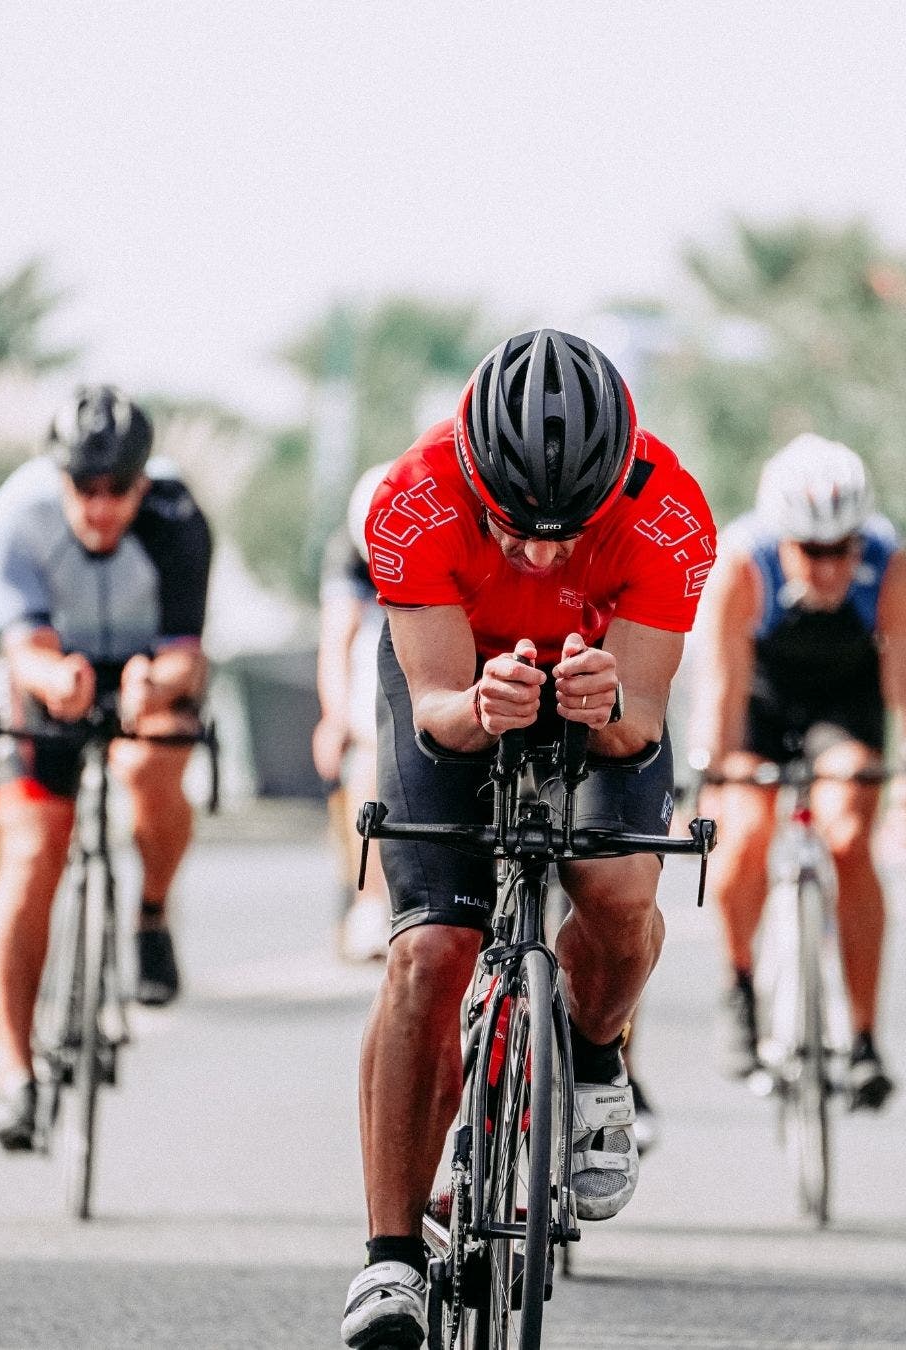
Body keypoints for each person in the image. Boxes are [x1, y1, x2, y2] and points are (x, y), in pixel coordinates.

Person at [340, 330, 713, 1349]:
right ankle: (390, 1261)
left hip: (600, 691)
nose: (546, 554)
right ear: (473, 476)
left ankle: (597, 1063)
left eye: (571, 532)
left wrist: (607, 703)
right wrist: (480, 701)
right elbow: (436, 710)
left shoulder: (670, 514)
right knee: (427, 953)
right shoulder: (413, 500)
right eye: (516, 529)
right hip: (466, 688)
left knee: (619, 892)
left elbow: (639, 717)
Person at [0, 386, 211, 1149]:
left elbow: (187, 655)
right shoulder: (15, 516)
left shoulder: (177, 519)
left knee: (154, 765)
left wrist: (154, 684)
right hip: (53, 674)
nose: (101, 508)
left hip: (147, 672)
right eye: (84, 488)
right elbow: (22, 646)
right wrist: (58, 684)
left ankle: (151, 914)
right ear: (60, 476)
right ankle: (16, 1076)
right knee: (33, 850)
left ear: (144, 482)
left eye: (119, 490)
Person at [694, 433, 906, 1100]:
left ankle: (862, 1038)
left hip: (844, 705)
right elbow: (721, 686)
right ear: (782, 540)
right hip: (763, 703)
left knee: (850, 838)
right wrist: (708, 782)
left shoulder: (893, 567)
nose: (830, 569)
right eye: (812, 551)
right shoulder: (743, 565)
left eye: (843, 549)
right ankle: (740, 985)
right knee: (742, 833)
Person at [314, 464, 394, 962]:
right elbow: (337, 638)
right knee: (365, 761)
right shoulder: (347, 552)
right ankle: (367, 898)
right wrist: (336, 719)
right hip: (378, 648)